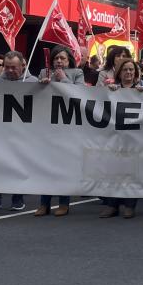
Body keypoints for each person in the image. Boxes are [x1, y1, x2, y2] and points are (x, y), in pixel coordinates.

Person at [0, 51, 38, 213]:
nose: (9, 70)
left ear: (23, 66)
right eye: (7, 67)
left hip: (23, 134)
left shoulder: (34, 82)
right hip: (1, 133)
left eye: (13, 67)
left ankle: (17, 198)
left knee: (19, 166)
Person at [35, 47, 83, 216]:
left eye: (62, 58)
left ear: (69, 60)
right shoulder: (44, 72)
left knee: (63, 165)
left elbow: (81, 93)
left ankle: (64, 203)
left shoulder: (77, 73)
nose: (59, 61)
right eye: (56, 58)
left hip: (67, 125)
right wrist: (41, 85)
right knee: (46, 165)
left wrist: (63, 79)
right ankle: (44, 203)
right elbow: (35, 94)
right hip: (48, 124)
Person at [100, 59, 143, 219]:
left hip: (134, 138)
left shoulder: (142, 89)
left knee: (131, 172)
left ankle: (129, 205)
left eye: (131, 70)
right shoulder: (113, 89)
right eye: (125, 70)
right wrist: (109, 90)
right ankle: (112, 205)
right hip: (115, 138)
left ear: (136, 73)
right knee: (113, 172)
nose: (128, 72)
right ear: (119, 73)